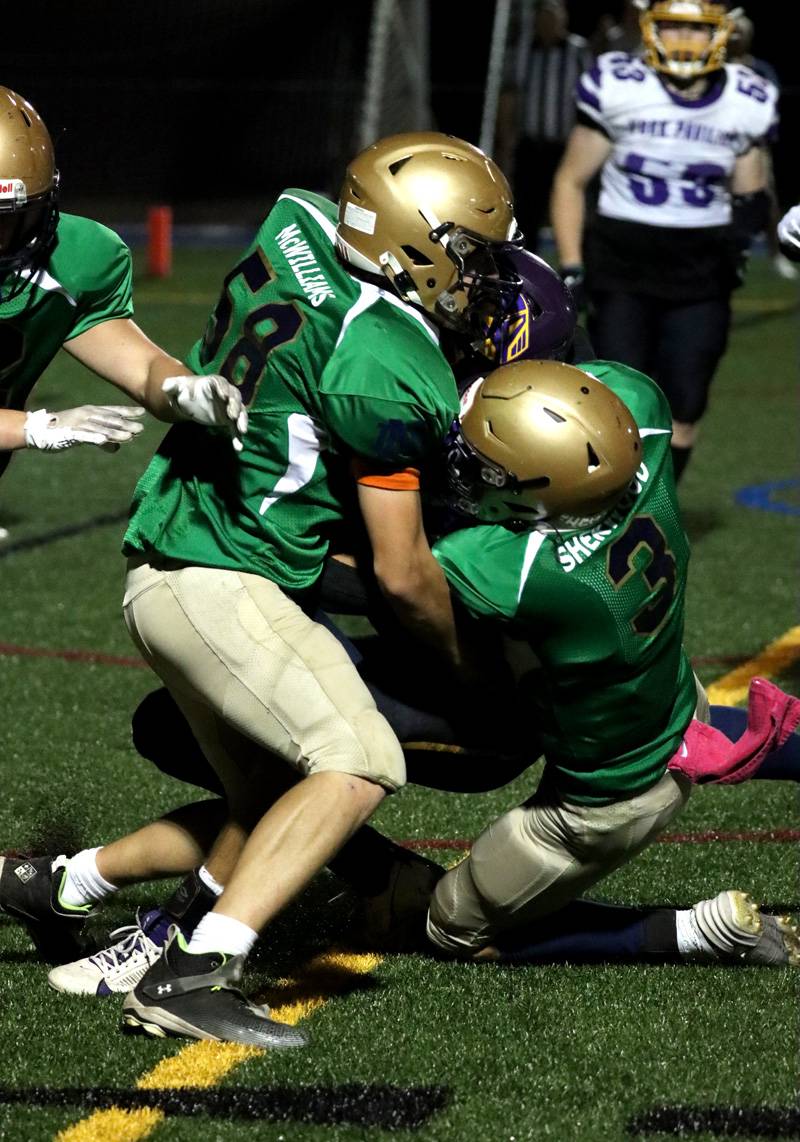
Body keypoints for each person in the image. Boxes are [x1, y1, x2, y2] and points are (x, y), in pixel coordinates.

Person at [0, 131, 526, 1047]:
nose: (479, 275)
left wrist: (176, 392)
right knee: (360, 762)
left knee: (269, 797)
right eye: (469, 253)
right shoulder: (390, 358)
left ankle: (61, 889)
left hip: (168, 556)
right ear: (412, 240)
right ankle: (197, 974)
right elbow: (401, 575)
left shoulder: (296, 220)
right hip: (227, 582)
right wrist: (471, 664)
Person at [423, 357, 800, 959]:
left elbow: (398, 576)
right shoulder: (643, 419)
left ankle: (693, 933)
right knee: (681, 715)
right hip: (676, 703)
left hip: (606, 801)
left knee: (454, 929)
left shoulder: (516, 571)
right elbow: (589, 390)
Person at [549, 0, 778, 479]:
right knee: (614, 400)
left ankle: (657, 512)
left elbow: (750, 194)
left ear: (722, 33)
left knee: (686, 405)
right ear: (649, 27)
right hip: (622, 260)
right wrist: (572, 266)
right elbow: (571, 180)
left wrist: (743, 232)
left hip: (701, 266)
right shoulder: (619, 84)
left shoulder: (746, 96)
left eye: (695, 30)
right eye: (671, 26)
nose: (682, 40)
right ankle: (605, 510)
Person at [0, 86, 248, 476]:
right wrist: (32, 427)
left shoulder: (75, 260)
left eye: (10, 219)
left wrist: (186, 391)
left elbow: (144, 368)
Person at [495, 0, 593, 251]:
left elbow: (590, 100)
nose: (547, 24)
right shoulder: (524, 52)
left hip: (565, 147)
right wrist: (506, 140)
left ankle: (572, 259)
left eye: (553, 18)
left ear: (564, 20)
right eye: (543, 19)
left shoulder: (578, 51)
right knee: (528, 207)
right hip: (531, 144)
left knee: (567, 201)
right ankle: (527, 264)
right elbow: (509, 96)